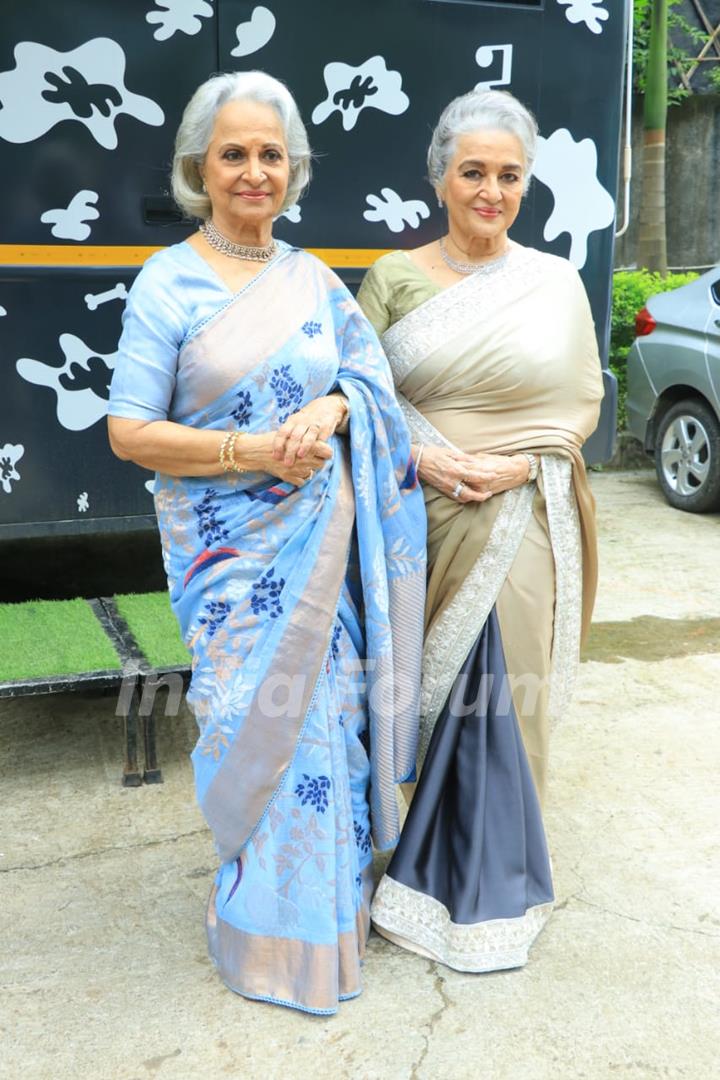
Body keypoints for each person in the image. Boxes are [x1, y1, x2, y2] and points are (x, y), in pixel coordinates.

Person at [107, 71, 426, 1015]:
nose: (254, 171)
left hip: (323, 552)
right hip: (230, 563)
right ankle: (261, 931)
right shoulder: (167, 283)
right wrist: (249, 451)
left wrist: (332, 406)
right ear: (199, 169)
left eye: (271, 154)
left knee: (326, 731)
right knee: (256, 728)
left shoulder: (314, 280)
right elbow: (129, 432)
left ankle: (327, 926)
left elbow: (371, 385)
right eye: (234, 154)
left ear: (294, 169)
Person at [357, 88, 603, 972]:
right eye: (473, 173)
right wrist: (429, 461)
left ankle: (494, 874)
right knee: (438, 687)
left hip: (526, 512)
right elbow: (361, 397)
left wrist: (525, 466)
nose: (491, 192)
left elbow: (581, 398)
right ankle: (419, 856)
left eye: (508, 175)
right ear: (440, 179)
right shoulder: (393, 278)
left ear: (525, 183)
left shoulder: (554, 280)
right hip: (423, 514)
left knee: (507, 685)